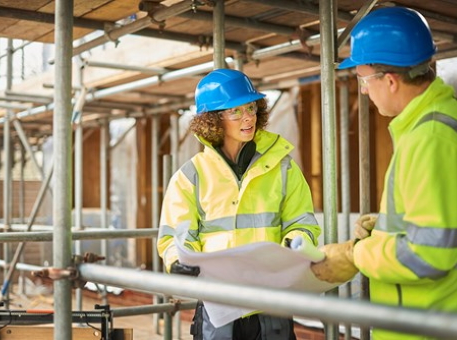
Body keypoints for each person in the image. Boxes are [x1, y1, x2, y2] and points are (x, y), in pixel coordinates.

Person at [310, 6, 457, 340]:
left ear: (390, 81)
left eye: (363, 79)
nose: (363, 90)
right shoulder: (436, 124)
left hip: (423, 329)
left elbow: (429, 254)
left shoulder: (429, 138)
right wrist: (388, 229)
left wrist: (354, 254)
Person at [157, 68, 321, 340]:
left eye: (251, 108)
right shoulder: (191, 175)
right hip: (218, 303)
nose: (247, 118)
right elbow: (175, 236)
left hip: (271, 299)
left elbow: (302, 223)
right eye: (235, 111)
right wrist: (178, 261)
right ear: (213, 120)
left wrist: (294, 245)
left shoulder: (284, 168)